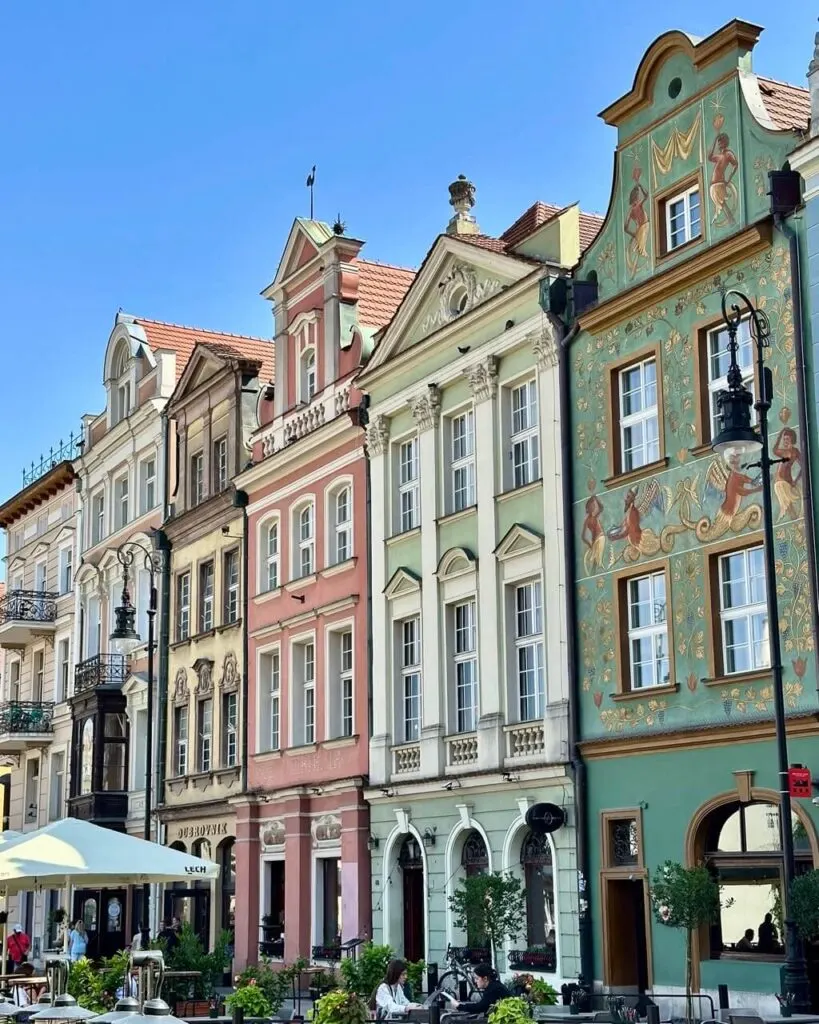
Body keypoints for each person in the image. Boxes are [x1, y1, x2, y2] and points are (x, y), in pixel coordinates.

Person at [443, 964, 509, 1014]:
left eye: (477, 978)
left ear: (485, 978)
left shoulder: (492, 989)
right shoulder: (494, 985)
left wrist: (459, 1006)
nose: (475, 981)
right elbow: (483, 1005)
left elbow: (480, 1007)